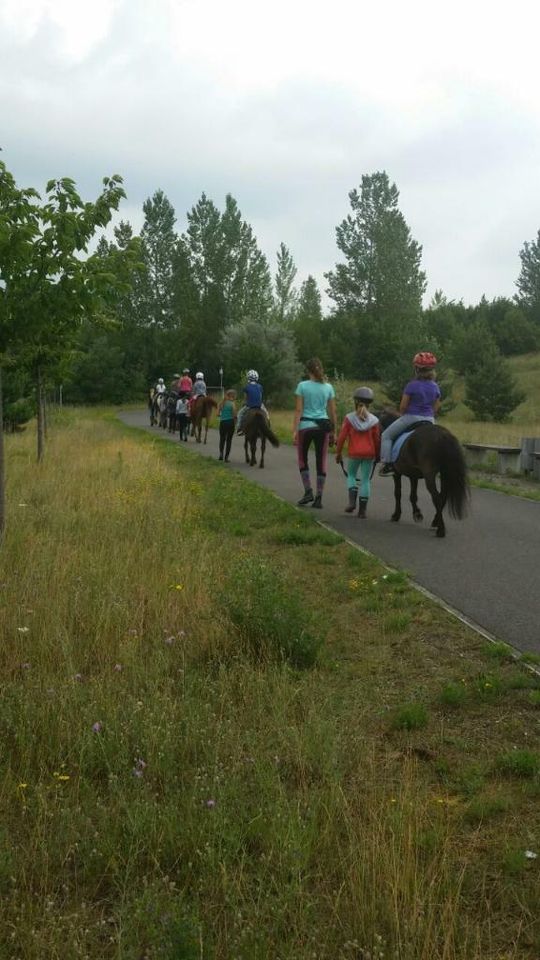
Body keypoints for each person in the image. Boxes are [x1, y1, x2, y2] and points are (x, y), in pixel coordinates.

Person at [379, 352, 441, 475]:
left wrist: (402, 413)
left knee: (386, 436)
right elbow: (437, 406)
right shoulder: (435, 387)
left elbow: (403, 407)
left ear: (416, 369)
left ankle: (388, 464)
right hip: (430, 420)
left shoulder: (411, 385)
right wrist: (429, 414)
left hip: (411, 417)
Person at [293, 358, 336, 509]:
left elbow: (298, 410)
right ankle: (319, 497)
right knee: (321, 461)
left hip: (305, 425)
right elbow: (332, 412)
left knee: (302, 459)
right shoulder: (329, 387)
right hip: (323, 427)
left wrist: (294, 430)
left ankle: (308, 491)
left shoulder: (302, 386)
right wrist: (333, 432)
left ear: (308, 370)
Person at [335, 387, 380, 518]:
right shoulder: (374, 421)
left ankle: (352, 502)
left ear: (355, 402)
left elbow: (342, 437)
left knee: (351, 476)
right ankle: (362, 511)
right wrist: (377, 455)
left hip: (354, 453)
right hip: (369, 454)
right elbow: (377, 440)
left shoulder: (349, 418)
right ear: (369, 404)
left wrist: (338, 453)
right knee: (365, 480)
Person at [236, 370, 269, 434]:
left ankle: (239, 428)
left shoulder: (246, 387)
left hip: (250, 405)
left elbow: (245, 398)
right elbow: (260, 397)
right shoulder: (260, 386)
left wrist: (244, 403)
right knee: (267, 414)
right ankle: (268, 427)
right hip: (259, 405)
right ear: (257, 377)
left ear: (248, 377)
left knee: (239, 414)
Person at [218, 389, 236, 461]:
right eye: (234, 396)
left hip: (222, 423)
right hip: (230, 422)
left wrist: (222, 415)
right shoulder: (232, 404)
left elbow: (217, 414)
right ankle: (226, 457)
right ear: (232, 396)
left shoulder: (221, 403)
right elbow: (234, 415)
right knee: (229, 440)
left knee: (222, 439)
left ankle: (221, 454)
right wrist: (235, 423)